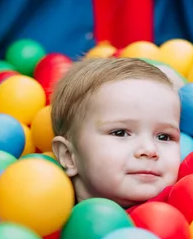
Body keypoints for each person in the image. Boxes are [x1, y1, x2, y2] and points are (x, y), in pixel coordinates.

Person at [51, 57, 181, 208]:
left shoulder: (184, 203)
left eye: (164, 137)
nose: (150, 150)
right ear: (69, 156)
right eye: (121, 133)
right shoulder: (45, 219)